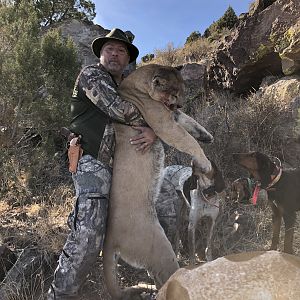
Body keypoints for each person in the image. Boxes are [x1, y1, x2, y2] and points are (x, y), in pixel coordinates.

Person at [47, 28, 156, 300]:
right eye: (110, 49)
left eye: (121, 51)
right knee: (88, 234)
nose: (115, 54)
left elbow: (157, 107)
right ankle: (59, 294)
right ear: (100, 53)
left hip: (119, 170)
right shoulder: (92, 75)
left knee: (106, 229)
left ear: (128, 59)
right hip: (92, 163)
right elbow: (119, 109)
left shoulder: (126, 86)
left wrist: (153, 131)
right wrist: (155, 123)